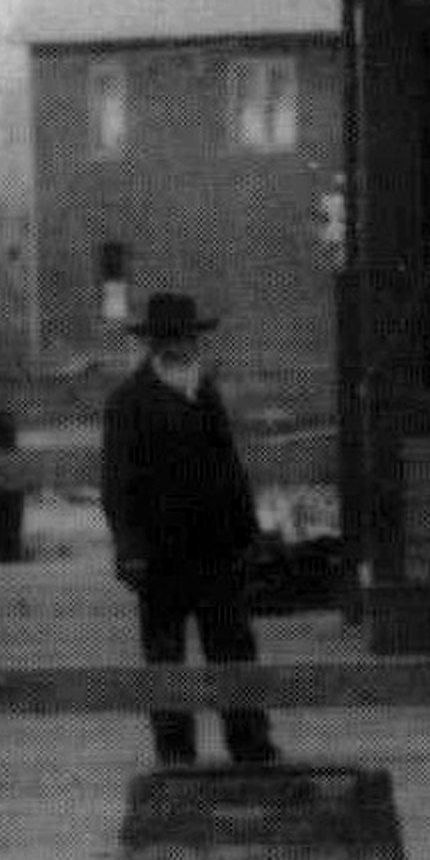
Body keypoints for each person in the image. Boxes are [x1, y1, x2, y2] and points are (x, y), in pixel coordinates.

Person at [97, 289, 277, 765]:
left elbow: (230, 469)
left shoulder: (206, 392)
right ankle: (175, 757)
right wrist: (129, 550)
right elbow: (116, 487)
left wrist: (249, 533)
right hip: (160, 556)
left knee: (234, 649)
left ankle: (251, 747)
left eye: (187, 338)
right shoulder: (128, 403)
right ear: (153, 345)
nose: (179, 347)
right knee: (165, 659)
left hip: (217, 550)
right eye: (169, 339)